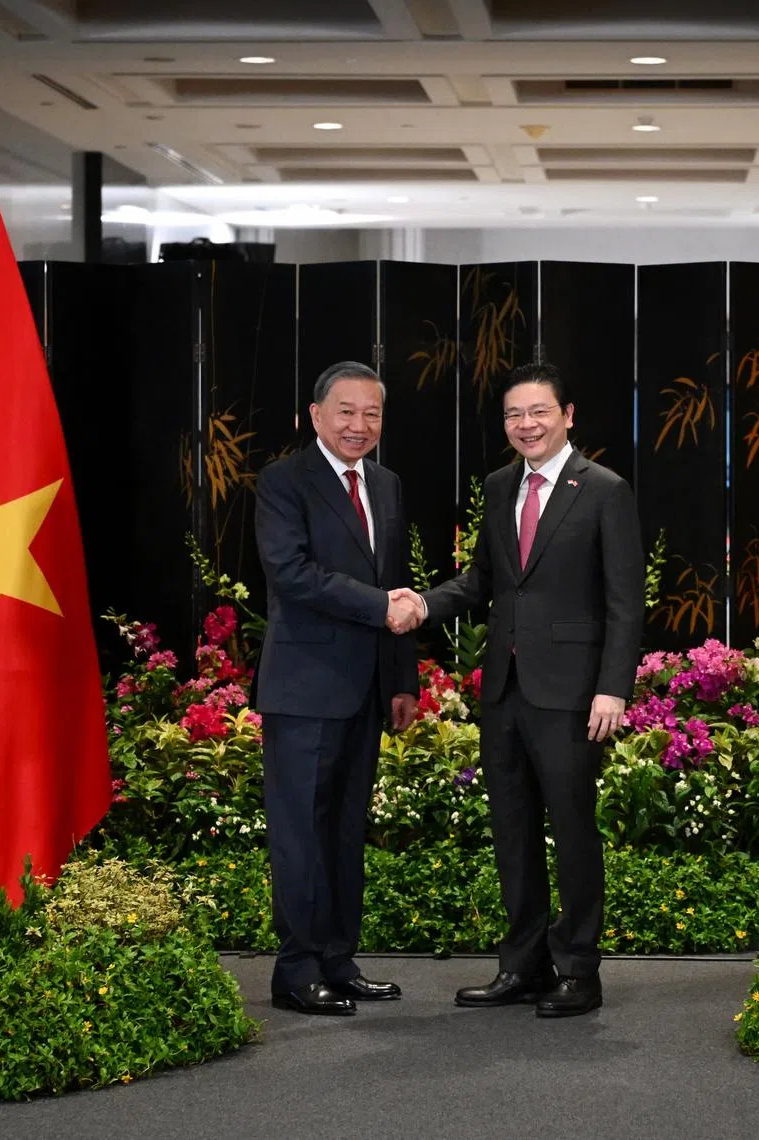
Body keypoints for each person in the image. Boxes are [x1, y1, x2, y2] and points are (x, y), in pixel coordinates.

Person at [391, 361, 644, 1017]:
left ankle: (579, 972)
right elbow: (481, 582)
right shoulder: (500, 484)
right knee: (513, 833)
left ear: (567, 415)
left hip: (571, 693)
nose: (525, 425)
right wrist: (421, 603)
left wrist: (612, 689)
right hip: (504, 691)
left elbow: (625, 603)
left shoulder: (605, 490)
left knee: (573, 830)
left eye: (538, 412)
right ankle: (523, 967)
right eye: (513, 415)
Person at [253, 360, 422, 1016]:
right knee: (300, 832)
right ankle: (295, 970)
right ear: (315, 415)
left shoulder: (386, 484)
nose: (360, 425)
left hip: (368, 691)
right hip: (304, 690)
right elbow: (292, 573)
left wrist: (401, 680)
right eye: (346, 412)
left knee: (346, 830)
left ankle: (336, 960)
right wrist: (381, 607)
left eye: (372, 413)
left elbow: (399, 578)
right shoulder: (283, 481)